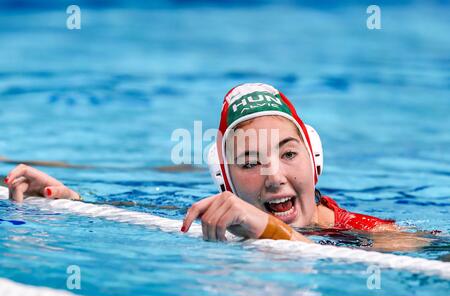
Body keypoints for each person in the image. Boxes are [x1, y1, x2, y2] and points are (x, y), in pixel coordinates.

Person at [3, 83, 431, 249]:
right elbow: (136, 212)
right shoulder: (215, 210)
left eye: (288, 154)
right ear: (223, 179)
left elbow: (426, 257)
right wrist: (68, 199)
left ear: (314, 159)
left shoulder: (366, 231)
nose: (274, 175)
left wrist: (270, 231)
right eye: (249, 162)